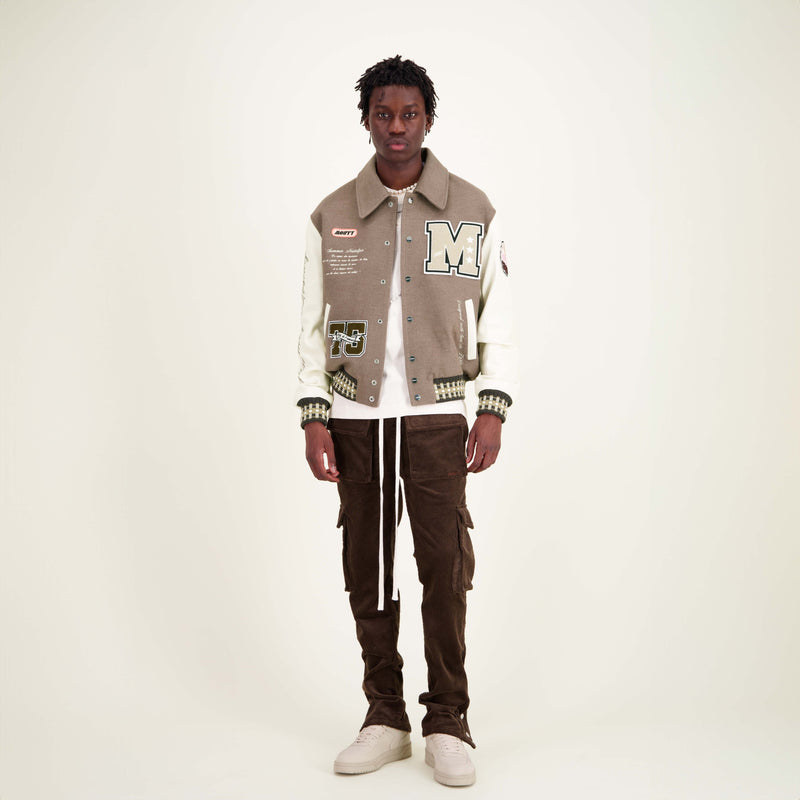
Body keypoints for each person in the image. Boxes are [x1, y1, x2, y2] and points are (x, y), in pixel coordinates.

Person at [295, 55, 518, 787]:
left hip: (437, 418)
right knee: (370, 569)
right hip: (356, 418)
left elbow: (498, 315)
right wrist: (314, 416)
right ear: (366, 120)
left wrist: (492, 405)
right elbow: (312, 326)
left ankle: (448, 719)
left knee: (443, 568)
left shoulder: (472, 209)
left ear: (428, 119)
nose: (396, 126)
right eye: (383, 113)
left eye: (409, 113)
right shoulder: (332, 215)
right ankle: (385, 717)